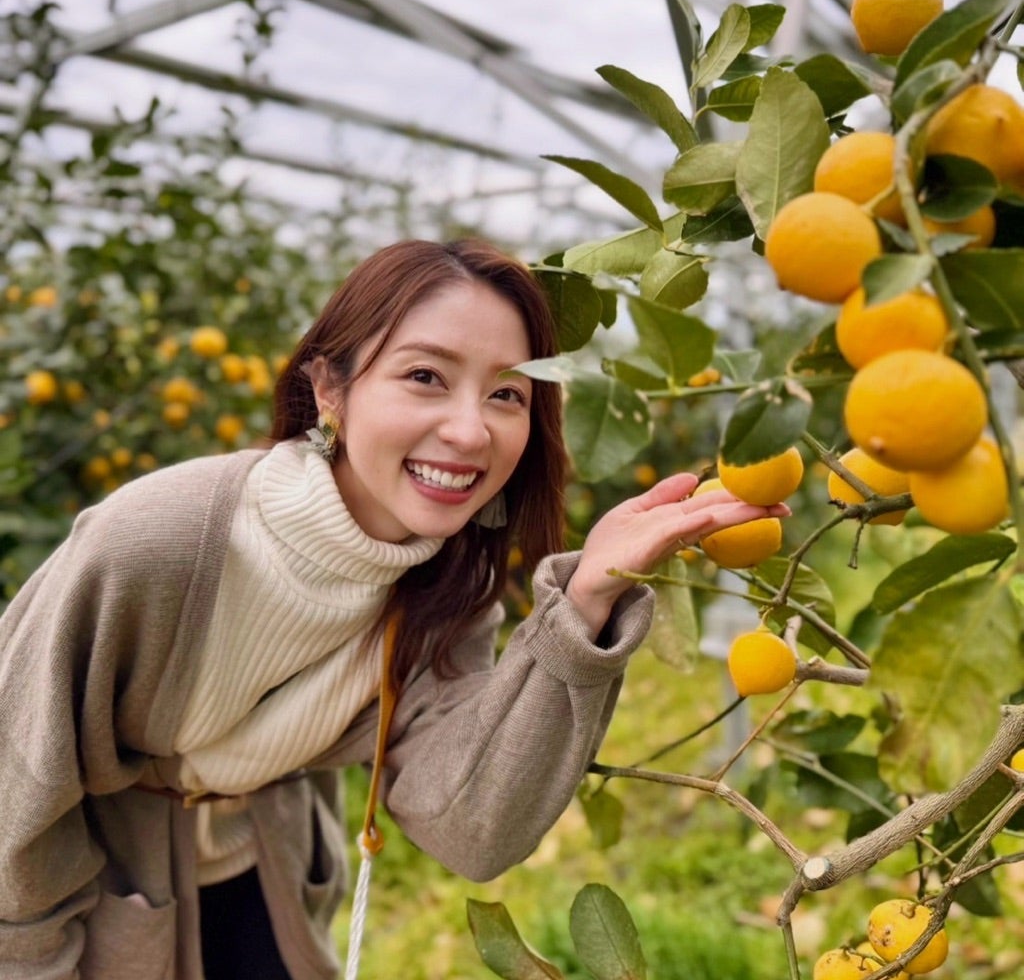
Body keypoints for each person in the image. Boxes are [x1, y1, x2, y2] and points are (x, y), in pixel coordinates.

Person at [0, 238, 788, 979]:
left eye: (506, 393)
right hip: (84, 900)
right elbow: (16, 782)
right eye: (425, 377)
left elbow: (470, 826)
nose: (469, 431)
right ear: (329, 389)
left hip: (266, 881)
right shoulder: (159, 540)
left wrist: (584, 603)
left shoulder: (449, 584)